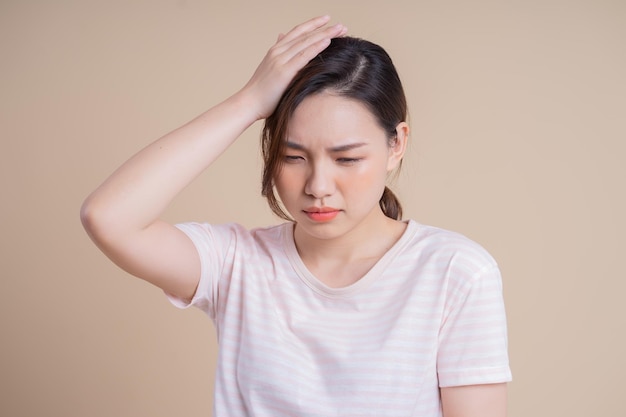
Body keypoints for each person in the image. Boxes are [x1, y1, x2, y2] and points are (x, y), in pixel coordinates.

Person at [81, 15, 512, 417]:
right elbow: (109, 217)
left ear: (395, 145)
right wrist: (248, 102)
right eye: (292, 156)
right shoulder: (237, 264)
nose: (317, 186)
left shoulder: (456, 272)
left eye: (346, 159)